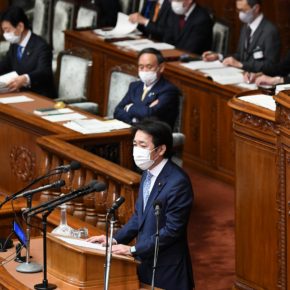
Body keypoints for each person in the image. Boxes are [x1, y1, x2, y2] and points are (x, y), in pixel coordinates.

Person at [87, 119, 194, 290]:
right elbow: (139, 217)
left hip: (167, 270)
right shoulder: (148, 173)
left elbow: (172, 231)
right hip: (145, 262)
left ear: (161, 149)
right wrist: (114, 239)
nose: (136, 150)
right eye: (135, 144)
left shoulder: (178, 182)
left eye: (143, 145)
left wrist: (133, 250)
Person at [202, 0, 280, 72]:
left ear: (256, 8)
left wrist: (241, 65)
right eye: (238, 10)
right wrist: (219, 57)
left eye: (243, 10)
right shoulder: (246, 26)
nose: (240, 14)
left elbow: (271, 66)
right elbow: (240, 55)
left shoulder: (270, 31)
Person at [113, 48, 180, 129]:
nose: (144, 71)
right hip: (132, 131)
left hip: (155, 137)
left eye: (149, 67)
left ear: (161, 67)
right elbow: (117, 112)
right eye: (141, 67)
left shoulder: (168, 90)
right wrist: (134, 120)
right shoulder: (134, 86)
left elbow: (149, 114)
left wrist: (129, 107)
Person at [0, 6, 55, 98]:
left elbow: (44, 72)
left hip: (39, 96)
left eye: (7, 30)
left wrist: (25, 78)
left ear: (20, 27)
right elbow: (5, 64)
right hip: (19, 94)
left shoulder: (41, 46)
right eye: (4, 31)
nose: (5, 34)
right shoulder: (15, 44)